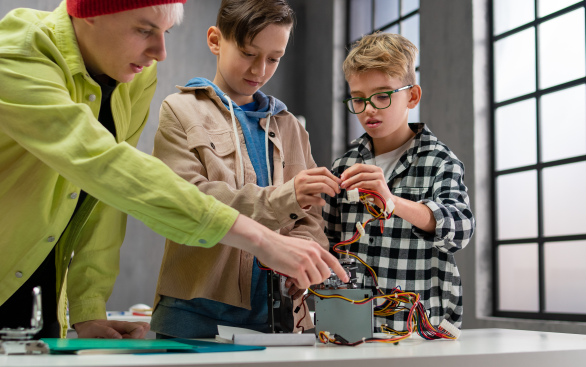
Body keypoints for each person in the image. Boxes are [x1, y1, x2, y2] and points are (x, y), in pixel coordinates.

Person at [0, 0, 347, 340]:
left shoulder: (135, 76)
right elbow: (105, 165)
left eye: (165, 31)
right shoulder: (19, 52)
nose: (160, 52)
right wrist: (262, 238)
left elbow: (104, 197)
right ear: (90, 11)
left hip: (39, 294)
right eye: (144, 30)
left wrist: (88, 309)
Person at [149, 0, 341, 339]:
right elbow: (189, 201)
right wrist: (283, 198)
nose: (260, 70)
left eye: (274, 58)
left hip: (282, 316)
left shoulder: (291, 128)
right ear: (215, 40)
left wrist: (301, 263)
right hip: (194, 313)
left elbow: (311, 217)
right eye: (249, 53)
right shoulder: (180, 110)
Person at [323, 32, 475, 333]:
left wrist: (391, 201)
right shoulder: (343, 167)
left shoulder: (439, 161)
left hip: (419, 330)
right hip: (349, 328)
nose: (369, 109)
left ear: (412, 96)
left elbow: (461, 230)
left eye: (382, 95)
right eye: (358, 99)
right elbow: (327, 243)